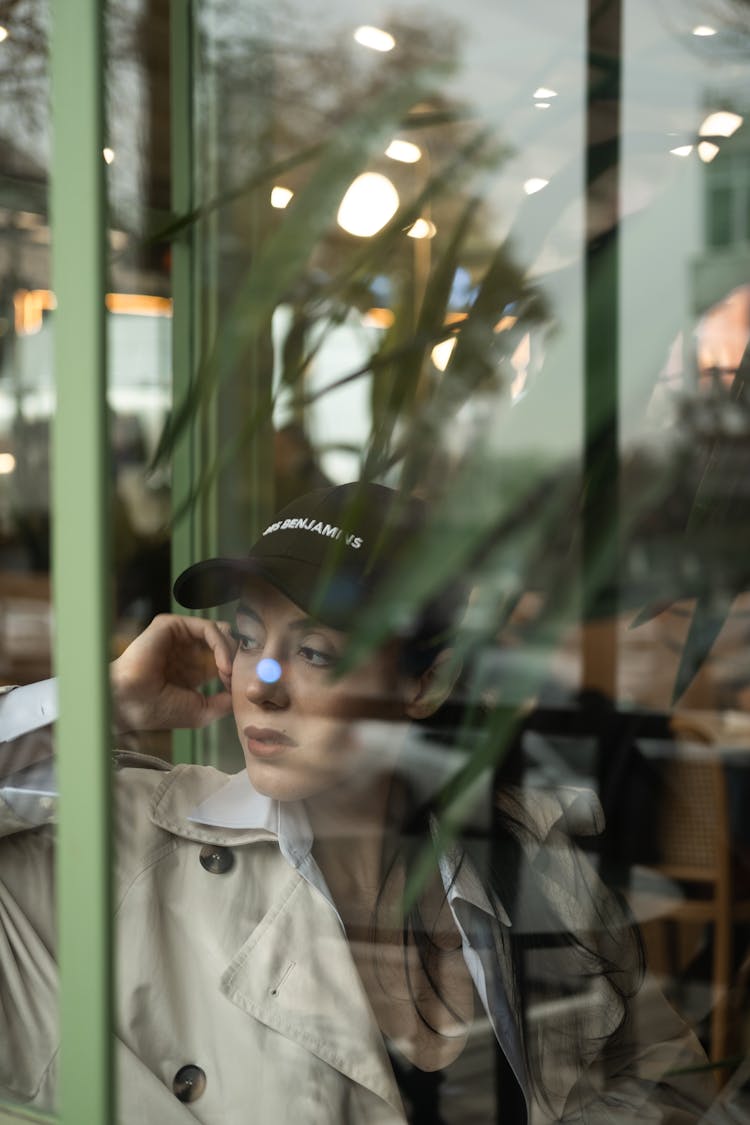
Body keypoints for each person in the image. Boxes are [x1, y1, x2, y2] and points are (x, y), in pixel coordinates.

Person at [0, 482, 715, 1123]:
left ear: (428, 683)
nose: (261, 683)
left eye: (315, 651)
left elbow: (666, 1082)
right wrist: (109, 700)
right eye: (247, 638)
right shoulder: (127, 850)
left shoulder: (529, 860)